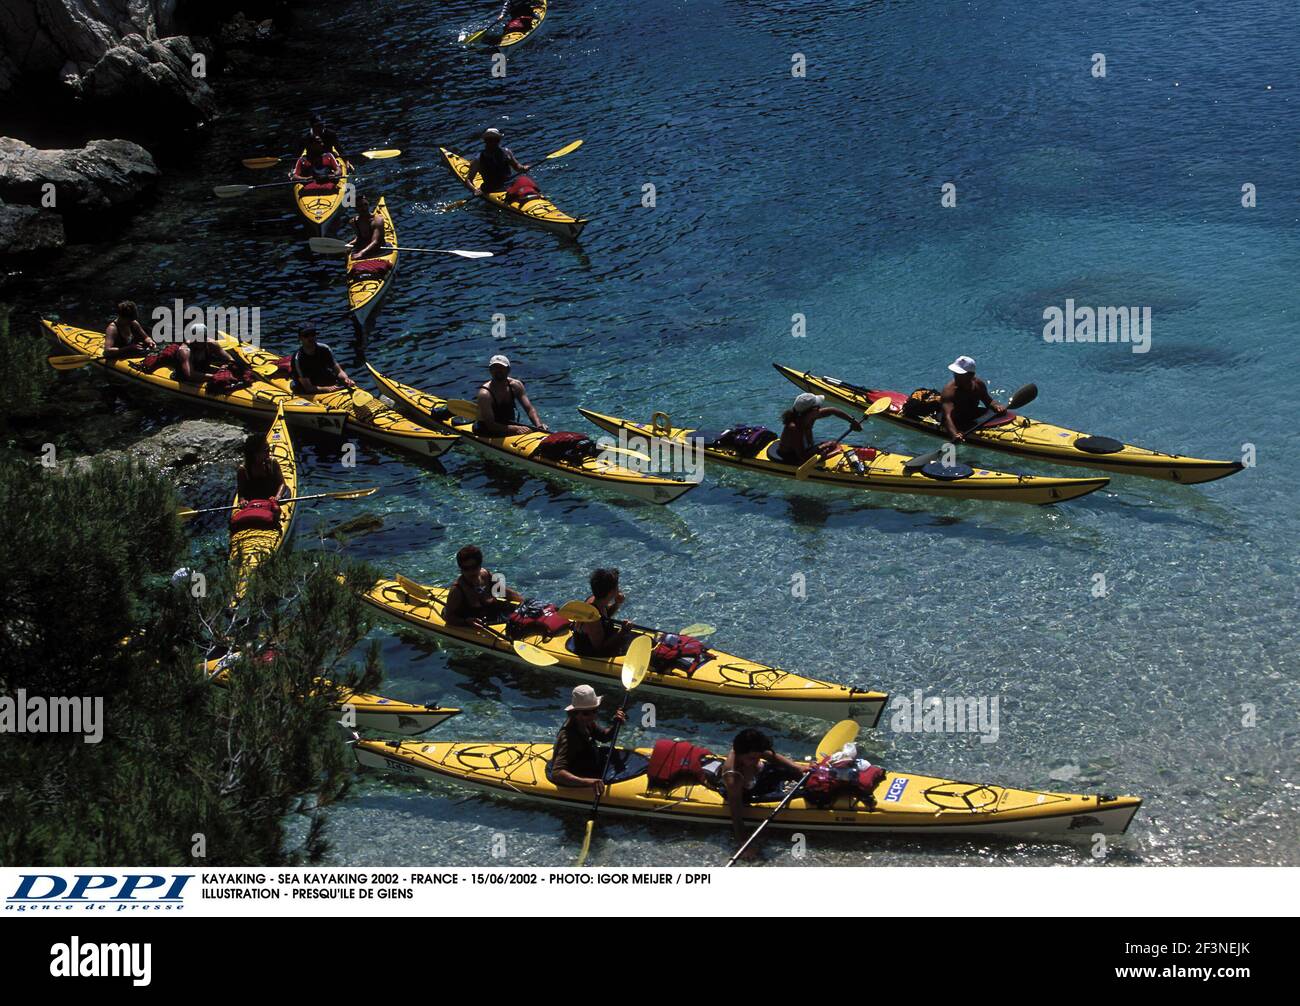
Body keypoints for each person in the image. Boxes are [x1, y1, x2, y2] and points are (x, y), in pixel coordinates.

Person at [703, 728, 807, 860]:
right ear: (740, 754)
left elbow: (770, 756)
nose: (756, 759)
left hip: (759, 776)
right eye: (753, 758)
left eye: (758, 756)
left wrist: (797, 767)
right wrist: (744, 843)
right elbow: (736, 813)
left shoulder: (749, 750)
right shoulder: (733, 777)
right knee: (799, 794)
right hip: (747, 791)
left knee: (795, 772)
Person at [551, 684, 628, 795]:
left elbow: (604, 737)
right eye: (587, 713)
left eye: (595, 711)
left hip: (588, 762)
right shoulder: (568, 737)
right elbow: (557, 773)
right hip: (578, 773)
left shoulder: (586, 722)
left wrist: (616, 724)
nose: (593, 716)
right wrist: (588, 782)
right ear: (574, 713)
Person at [443, 545, 523, 627]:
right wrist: (466, 622)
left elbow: (504, 592)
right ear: (461, 568)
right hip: (472, 624)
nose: (471, 572)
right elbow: (448, 617)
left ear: (480, 564)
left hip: (491, 616)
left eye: (474, 567)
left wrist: (523, 603)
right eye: (466, 568)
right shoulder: (457, 590)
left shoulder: (486, 575)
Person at [774, 392, 862, 465]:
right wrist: (833, 453)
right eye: (818, 407)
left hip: (805, 449)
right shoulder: (794, 428)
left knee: (830, 444)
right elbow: (803, 459)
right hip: (791, 456)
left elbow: (832, 410)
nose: (820, 409)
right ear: (812, 411)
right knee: (830, 445)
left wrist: (852, 421)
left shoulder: (809, 416)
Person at [474, 354, 547, 436]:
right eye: (495, 367)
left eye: (501, 367)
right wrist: (516, 428)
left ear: (508, 370)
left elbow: (529, 409)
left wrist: (539, 425)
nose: (498, 370)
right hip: (486, 429)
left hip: (508, 425)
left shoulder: (516, 385)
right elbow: (490, 425)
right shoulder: (485, 394)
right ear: (490, 370)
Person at [940, 355, 1005, 442]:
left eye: (960, 374)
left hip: (971, 414)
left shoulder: (978, 384)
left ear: (971, 375)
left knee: (999, 414)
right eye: (956, 373)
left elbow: (988, 401)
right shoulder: (949, 391)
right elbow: (947, 417)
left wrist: (997, 406)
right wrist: (954, 434)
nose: (956, 376)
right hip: (955, 420)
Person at [572, 568, 633, 658]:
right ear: (612, 591)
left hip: (602, 639)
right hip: (591, 653)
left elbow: (605, 616)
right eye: (617, 586)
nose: (619, 589)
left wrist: (617, 603)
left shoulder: (597, 600)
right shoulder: (592, 617)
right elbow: (600, 648)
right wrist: (623, 631)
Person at [467, 128, 529, 197]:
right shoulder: (478, 159)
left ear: (499, 140)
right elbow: (469, 180)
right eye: (490, 140)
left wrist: (524, 168)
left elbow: (517, 167)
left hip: (510, 186)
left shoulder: (507, 152)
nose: (493, 143)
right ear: (485, 141)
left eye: (496, 140)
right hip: (491, 190)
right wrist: (474, 190)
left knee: (524, 180)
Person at [290, 326, 354, 394]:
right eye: (306, 336)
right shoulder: (298, 358)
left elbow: (339, 371)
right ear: (300, 338)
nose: (310, 338)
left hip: (321, 377)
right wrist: (326, 389)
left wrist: (346, 379)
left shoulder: (325, 349)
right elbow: (308, 388)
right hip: (308, 386)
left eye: (313, 334)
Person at [236, 430, 286, 502]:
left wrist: (277, 496)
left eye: (269, 449)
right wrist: (242, 500)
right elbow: (241, 494)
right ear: (255, 454)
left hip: (272, 500)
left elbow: (282, 483)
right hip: (253, 503)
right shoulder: (243, 471)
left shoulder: (272, 463)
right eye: (266, 450)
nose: (269, 452)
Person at [348, 193, 385, 262]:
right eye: (360, 206)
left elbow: (375, 241)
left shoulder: (377, 220)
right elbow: (360, 237)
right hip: (363, 247)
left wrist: (361, 253)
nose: (364, 208)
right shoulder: (353, 222)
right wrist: (350, 244)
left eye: (365, 205)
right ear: (355, 208)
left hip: (378, 249)